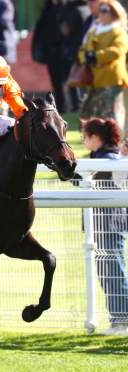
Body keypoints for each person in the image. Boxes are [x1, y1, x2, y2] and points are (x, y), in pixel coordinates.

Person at [81, 117, 128, 334]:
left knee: (113, 271)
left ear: (95, 137)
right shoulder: (101, 157)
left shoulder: (107, 159)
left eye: (85, 135)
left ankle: (121, 320)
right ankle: (118, 319)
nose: (82, 140)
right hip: (105, 223)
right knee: (110, 271)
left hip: (108, 223)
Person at [78, 0, 128, 125]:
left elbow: (118, 50)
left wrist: (96, 56)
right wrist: (86, 58)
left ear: (114, 12)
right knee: (93, 115)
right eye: (101, 10)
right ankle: (101, 142)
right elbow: (82, 50)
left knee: (112, 116)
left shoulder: (118, 30)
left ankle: (116, 142)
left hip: (112, 79)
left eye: (105, 10)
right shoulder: (94, 30)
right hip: (95, 80)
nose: (102, 13)